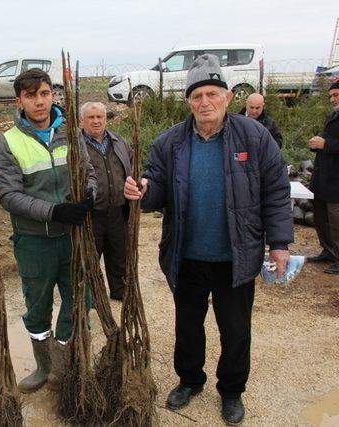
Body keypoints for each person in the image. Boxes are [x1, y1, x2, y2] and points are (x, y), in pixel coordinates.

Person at [124, 54, 293, 425]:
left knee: (235, 330)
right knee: (188, 325)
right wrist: (143, 191)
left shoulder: (254, 136)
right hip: (187, 256)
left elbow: (277, 191)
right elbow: (157, 190)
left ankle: (231, 390)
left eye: (212, 94)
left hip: (237, 255)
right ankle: (189, 380)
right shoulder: (171, 142)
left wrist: (279, 243)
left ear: (228, 97)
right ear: (188, 101)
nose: (205, 102)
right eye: (197, 95)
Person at [0, 68, 96, 393]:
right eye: (31, 95)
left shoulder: (71, 133)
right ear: (20, 100)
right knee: (37, 306)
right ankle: (44, 366)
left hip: (73, 237)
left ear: (53, 95)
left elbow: (89, 172)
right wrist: (54, 211)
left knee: (81, 297)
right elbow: (10, 196)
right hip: (34, 241)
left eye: (44, 93)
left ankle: (62, 360)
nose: (39, 101)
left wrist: (88, 195)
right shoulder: (8, 142)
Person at [79, 101, 132, 301]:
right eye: (91, 117)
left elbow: (131, 167)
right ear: (81, 120)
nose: (96, 121)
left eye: (100, 117)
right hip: (92, 214)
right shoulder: (76, 146)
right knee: (91, 258)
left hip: (118, 211)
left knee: (119, 255)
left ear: (105, 119)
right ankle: (91, 299)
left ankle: (119, 291)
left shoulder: (119, 142)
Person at [307, 81, 339, 274]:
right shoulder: (333, 116)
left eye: (336, 95)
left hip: (336, 182)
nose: (333, 99)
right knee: (322, 218)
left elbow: (330, 144)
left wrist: (325, 144)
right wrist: (316, 144)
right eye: (331, 96)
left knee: (336, 222)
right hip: (323, 179)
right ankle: (328, 251)